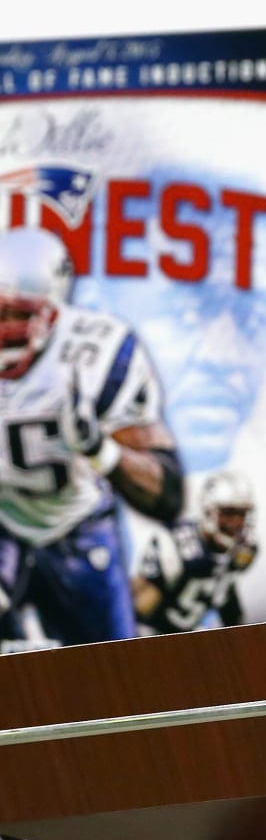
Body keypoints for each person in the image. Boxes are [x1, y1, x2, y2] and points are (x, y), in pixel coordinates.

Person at [0, 226, 182, 647]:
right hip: (3, 521)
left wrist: (99, 448)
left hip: (75, 524)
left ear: (51, 312)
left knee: (113, 680)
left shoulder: (99, 355)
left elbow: (166, 493)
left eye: (17, 314)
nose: (3, 327)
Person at [131, 468, 258, 634]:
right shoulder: (176, 546)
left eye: (242, 514)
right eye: (229, 513)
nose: (236, 522)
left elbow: (225, 589)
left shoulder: (244, 551)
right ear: (208, 511)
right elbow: (138, 609)